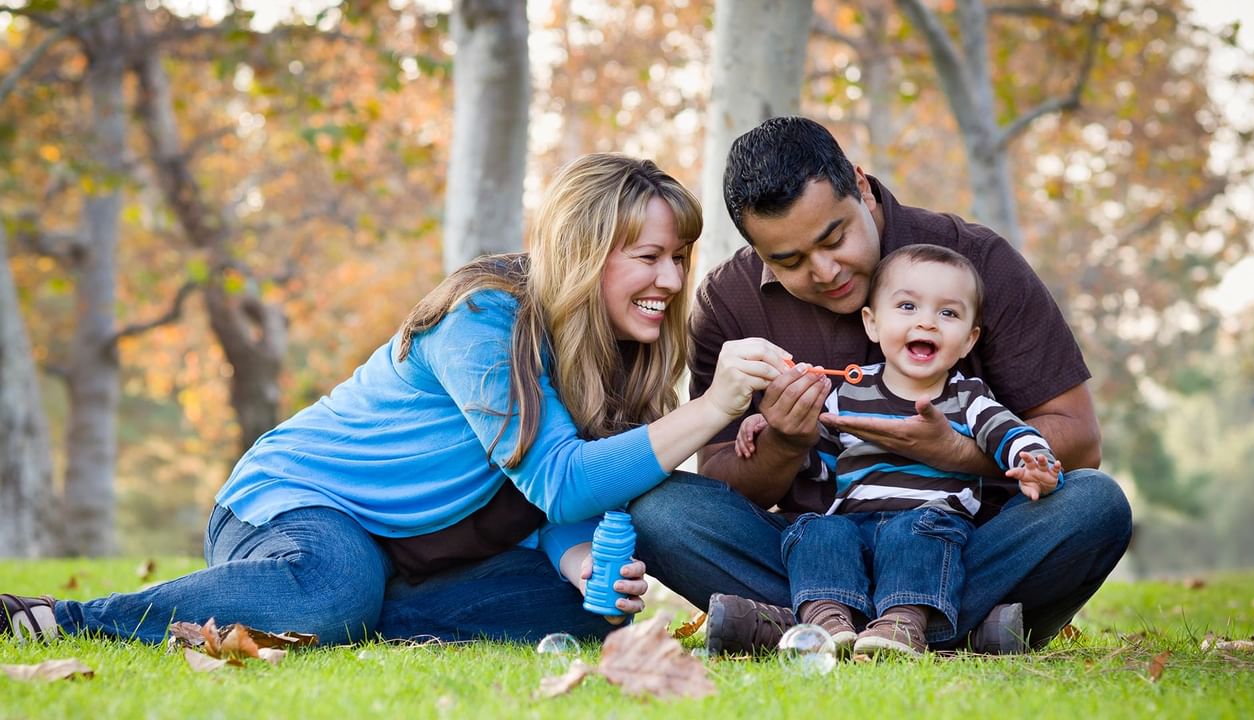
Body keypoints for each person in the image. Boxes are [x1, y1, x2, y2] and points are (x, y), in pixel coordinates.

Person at [1, 153, 793, 646]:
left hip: (418, 556)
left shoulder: (619, 353)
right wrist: (717, 405)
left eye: (678, 259)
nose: (668, 281)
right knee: (336, 586)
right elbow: (561, 477)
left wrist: (583, 559)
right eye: (648, 256)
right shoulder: (484, 316)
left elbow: (561, 510)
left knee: (590, 614)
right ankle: (64, 620)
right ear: (585, 253)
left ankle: (350, 615)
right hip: (298, 508)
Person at [628, 116, 1133, 655]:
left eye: (834, 238)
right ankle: (938, 630)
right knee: (655, 506)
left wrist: (959, 453)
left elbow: (1080, 440)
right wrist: (784, 443)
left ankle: (798, 629)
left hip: (964, 544)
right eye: (789, 260)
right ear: (755, 247)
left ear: (862, 187)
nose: (823, 271)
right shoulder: (729, 301)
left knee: (1094, 504)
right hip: (815, 547)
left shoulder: (975, 262)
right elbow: (729, 483)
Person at [735, 245, 1063, 656]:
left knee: (917, 532)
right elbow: (817, 466)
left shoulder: (968, 397)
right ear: (872, 324)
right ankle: (828, 619)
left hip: (927, 525)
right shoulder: (847, 392)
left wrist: (1035, 463)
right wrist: (778, 432)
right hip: (855, 526)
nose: (927, 321)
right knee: (818, 529)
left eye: (949, 313)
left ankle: (903, 623)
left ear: (968, 340)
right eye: (907, 306)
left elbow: (1011, 434)